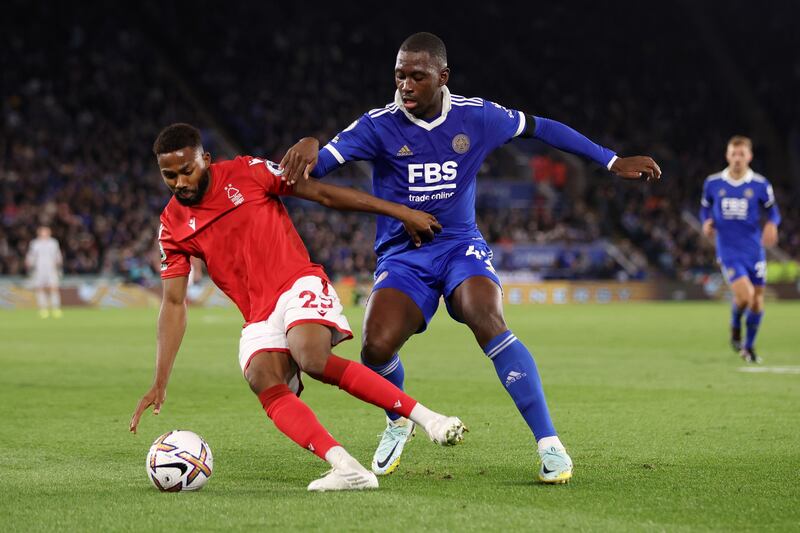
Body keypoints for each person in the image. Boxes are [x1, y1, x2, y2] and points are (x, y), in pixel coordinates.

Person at [282, 32, 661, 483]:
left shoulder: (477, 116)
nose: (405, 85)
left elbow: (544, 128)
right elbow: (314, 171)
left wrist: (612, 161)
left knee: (488, 317)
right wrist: (309, 142)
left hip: (461, 246)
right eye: (400, 75)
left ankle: (549, 443)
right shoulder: (377, 125)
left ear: (442, 77)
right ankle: (397, 421)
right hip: (404, 257)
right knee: (376, 346)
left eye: (417, 77)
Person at [129, 123, 466, 492]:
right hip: (257, 313)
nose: (179, 182)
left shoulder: (247, 172)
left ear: (205, 160)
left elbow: (323, 194)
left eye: (186, 170)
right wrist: (159, 381)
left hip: (296, 283)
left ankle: (428, 419)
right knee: (261, 377)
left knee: (312, 358)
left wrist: (399, 211)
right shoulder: (171, 225)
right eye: (169, 175)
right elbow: (174, 303)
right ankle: (346, 468)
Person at [700, 136, 780, 363]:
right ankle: (736, 325)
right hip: (728, 251)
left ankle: (749, 347)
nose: (737, 158)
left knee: (756, 302)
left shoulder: (760, 185)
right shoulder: (713, 183)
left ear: (749, 156)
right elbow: (705, 209)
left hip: (754, 251)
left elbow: (773, 212)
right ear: (727, 155)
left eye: (741, 154)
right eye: (733, 154)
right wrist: (706, 222)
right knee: (746, 295)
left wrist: (772, 224)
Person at [25, 225, 63, 319]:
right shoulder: (35, 243)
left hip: (51, 269)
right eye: (43, 231)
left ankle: (55, 308)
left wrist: (58, 263)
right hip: (39, 269)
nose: (44, 233)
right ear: (39, 233)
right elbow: (31, 255)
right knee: (40, 288)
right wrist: (29, 262)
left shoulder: (53, 243)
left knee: (53, 288)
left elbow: (57, 255)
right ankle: (43, 309)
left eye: (46, 231)